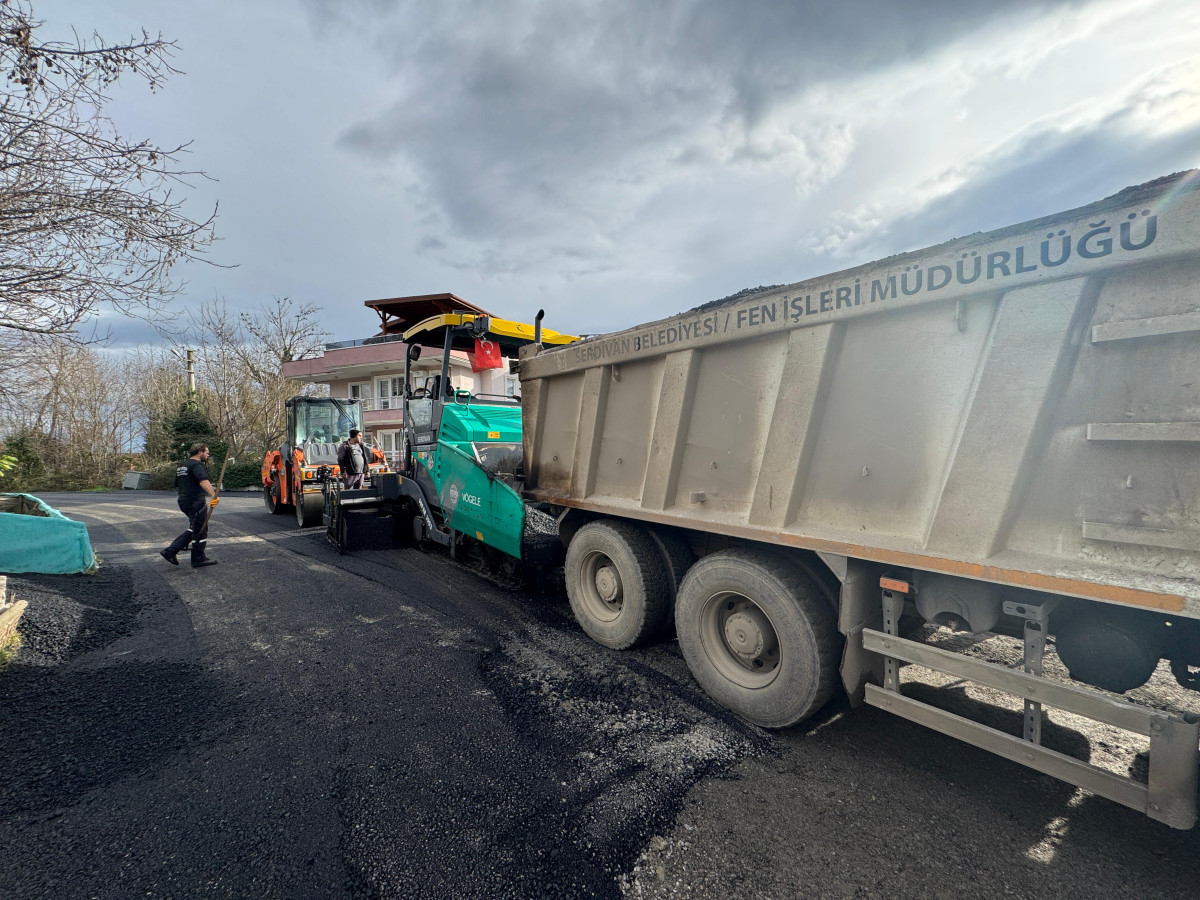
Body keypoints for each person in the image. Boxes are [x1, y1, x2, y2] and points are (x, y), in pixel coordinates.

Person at [160, 443, 219, 568]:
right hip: (195, 501)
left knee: (196, 527)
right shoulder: (197, 465)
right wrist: (214, 495)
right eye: (206, 452)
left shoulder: (181, 465)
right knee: (200, 528)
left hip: (183, 500)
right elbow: (203, 481)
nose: (207, 455)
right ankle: (197, 558)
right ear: (199, 452)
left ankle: (171, 551)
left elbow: (177, 483)